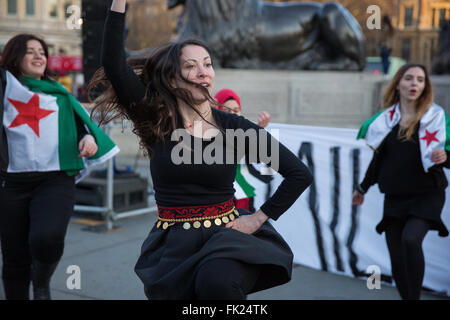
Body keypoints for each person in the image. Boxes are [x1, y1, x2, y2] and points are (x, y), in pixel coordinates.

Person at [89, 0, 313, 300]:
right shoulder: (156, 121)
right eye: (191, 66)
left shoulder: (234, 127)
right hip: (172, 245)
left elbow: (299, 174)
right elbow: (114, 64)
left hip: (226, 238)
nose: (202, 72)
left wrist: (257, 218)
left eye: (207, 64)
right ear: (172, 78)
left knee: (216, 285)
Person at [0, 34, 119, 300]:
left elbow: (80, 128)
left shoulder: (59, 94)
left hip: (55, 179)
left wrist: (87, 137)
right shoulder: (5, 85)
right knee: (14, 256)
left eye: (42, 51)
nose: (39, 55)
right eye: (30, 51)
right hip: (10, 183)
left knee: (47, 237)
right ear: (14, 56)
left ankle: (41, 281)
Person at [352, 63, 450, 300]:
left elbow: (446, 155)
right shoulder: (384, 121)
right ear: (398, 84)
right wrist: (362, 188)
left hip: (427, 194)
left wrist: (446, 156)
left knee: (410, 239)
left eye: (420, 80)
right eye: (408, 78)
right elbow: (378, 161)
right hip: (395, 197)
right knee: (396, 256)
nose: (414, 83)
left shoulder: (436, 118)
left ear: (425, 86)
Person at [214, 88, 271, 212]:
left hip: (244, 200)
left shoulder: (245, 135)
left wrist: (259, 130)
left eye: (236, 110)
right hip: (219, 203)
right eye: (226, 110)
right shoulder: (208, 136)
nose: (232, 114)